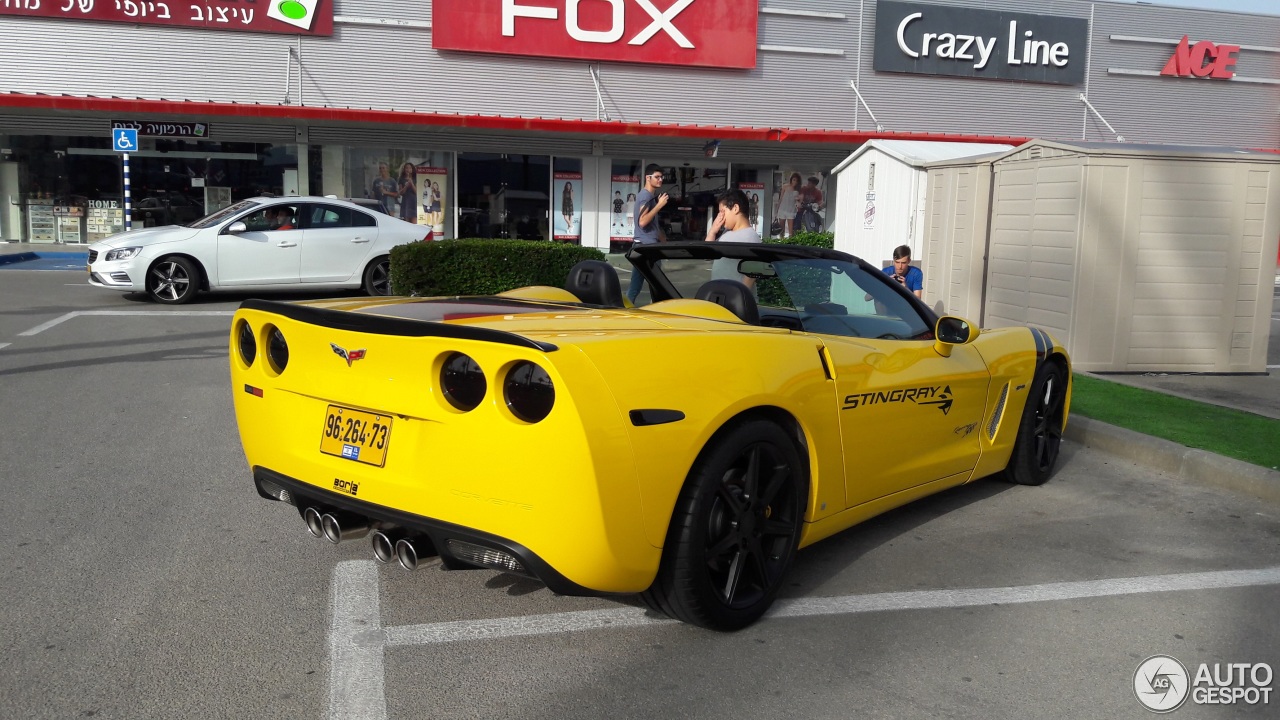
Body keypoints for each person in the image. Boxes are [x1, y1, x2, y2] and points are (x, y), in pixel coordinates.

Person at [627, 164, 669, 304]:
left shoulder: (648, 196)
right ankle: (655, 312)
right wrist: (659, 205)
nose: (660, 180)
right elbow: (643, 222)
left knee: (636, 287)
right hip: (647, 248)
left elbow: (650, 224)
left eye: (661, 177)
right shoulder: (646, 196)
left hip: (644, 246)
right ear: (647, 178)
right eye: (657, 177)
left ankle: (624, 310)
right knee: (658, 285)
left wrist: (662, 238)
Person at [706, 188, 761, 285]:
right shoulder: (727, 232)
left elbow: (750, 276)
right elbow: (706, 254)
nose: (720, 216)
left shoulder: (751, 238)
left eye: (723, 211)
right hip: (720, 295)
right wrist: (713, 231)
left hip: (733, 297)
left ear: (735, 208)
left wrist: (737, 298)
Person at [775, 173, 801, 238]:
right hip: (782, 209)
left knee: (791, 231)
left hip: (791, 210)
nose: (795, 182)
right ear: (791, 179)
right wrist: (777, 210)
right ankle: (781, 242)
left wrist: (798, 200)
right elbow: (780, 198)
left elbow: (799, 201)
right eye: (794, 180)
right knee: (781, 229)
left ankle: (790, 243)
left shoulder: (798, 189)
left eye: (796, 181)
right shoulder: (785, 186)